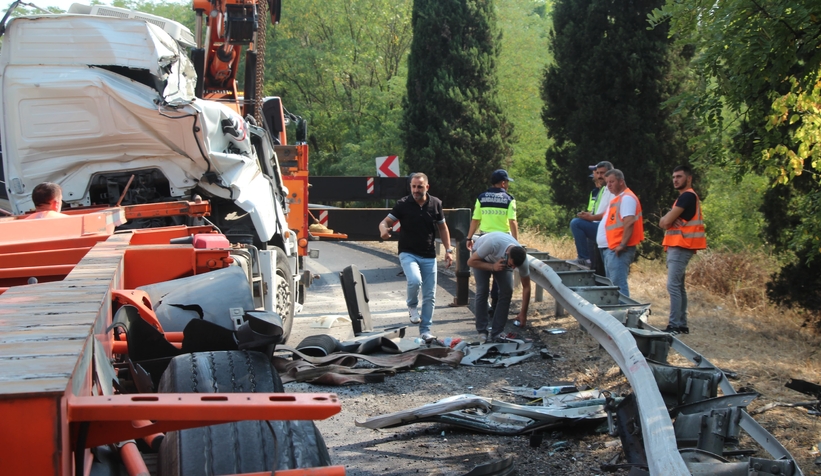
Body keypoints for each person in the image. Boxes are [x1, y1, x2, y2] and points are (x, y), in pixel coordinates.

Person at [379, 173, 453, 342]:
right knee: (414, 280)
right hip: (408, 252)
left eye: (419, 186)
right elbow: (385, 222)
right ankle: (412, 305)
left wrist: (448, 250)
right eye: (413, 186)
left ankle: (425, 330)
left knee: (429, 295)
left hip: (428, 254)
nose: (416, 190)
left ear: (427, 187)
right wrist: (383, 230)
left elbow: (443, 228)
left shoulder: (436, 204)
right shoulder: (403, 204)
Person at [465, 169, 519, 322]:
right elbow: (512, 221)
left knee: (483, 281)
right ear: (503, 183)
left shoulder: (481, 197)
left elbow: (475, 219)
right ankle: (495, 305)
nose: (507, 184)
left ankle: (483, 314)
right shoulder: (509, 199)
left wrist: (469, 237)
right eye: (507, 182)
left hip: (484, 239)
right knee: (501, 273)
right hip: (504, 242)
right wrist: (516, 243)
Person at [659, 165, 706, 334]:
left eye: (679, 176)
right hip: (681, 245)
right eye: (673, 177)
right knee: (679, 286)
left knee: (673, 285)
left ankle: (674, 325)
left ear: (689, 178)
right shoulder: (685, 198)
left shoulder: (687, 197)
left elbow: (664, 223)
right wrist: (669, 219)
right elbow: (664, 221)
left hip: (681, 245)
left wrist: (669, 219)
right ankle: (681, 324)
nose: (675, 180)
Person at [467, 232, 531, 343]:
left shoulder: (522, 260)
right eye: (511, 265)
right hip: (481, 257)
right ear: (507, 254)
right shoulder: (492, 244)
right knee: (482, 290)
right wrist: (492, 266)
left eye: (516, 267)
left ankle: (497, 332)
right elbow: (471, 262)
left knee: (507, 291)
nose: (513, 268)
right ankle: (482, 331)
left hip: (500, 259)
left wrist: (523, 313)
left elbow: (526, 287)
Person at [598, 169, 644, 297]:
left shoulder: (627, 198)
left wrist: (622, 245)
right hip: (612, 248)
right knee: (613, 285)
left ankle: (622, 314)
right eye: (607, 183)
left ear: (621, 182)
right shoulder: (618, 199)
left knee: (618, 286)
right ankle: (617, 314)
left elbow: (629, 222)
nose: (609, 185)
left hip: (618, 249)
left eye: (612, 182)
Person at [570, 161, 614, 272]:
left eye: (602, 173)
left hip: (607, 229)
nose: (599, 176)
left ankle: (584, 259)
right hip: (600, 226)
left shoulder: (613, 190)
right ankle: (586, 260)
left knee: (576, 224)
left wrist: (592, 218)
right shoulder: (603, 190)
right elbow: (600, 210)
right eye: (597, 173)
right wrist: (589, 215)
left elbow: (611, 213)